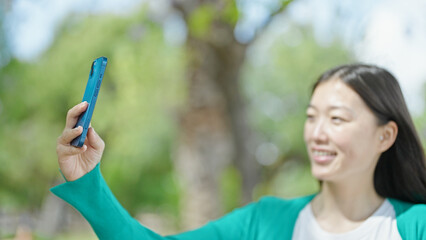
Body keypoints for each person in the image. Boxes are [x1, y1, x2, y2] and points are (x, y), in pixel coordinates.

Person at [52, 64, 426, 240]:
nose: (318, 134)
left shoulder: (414, 227)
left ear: (385, 136)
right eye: (312, 117)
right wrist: (89, 183)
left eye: (338, 119)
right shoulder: (264, 222)